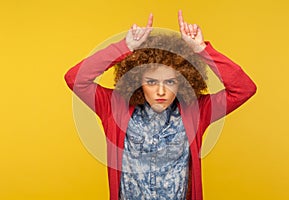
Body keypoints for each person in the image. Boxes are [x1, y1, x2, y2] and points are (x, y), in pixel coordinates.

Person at [64, 10, 256, 200]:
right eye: (152, 82)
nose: (161, 91)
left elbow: (244, 88)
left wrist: (201, 50)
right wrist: (125, 47)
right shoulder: (113, 108)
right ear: (138, 80)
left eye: (170, 82)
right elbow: (75, 79)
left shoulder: (196, 112)